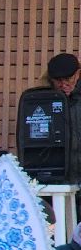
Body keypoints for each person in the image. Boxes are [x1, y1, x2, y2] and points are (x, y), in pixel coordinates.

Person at [44, 52, 81, 183]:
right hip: (58, 179)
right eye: (58, 80)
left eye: (68, 79)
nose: (64, 84)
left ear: (78, 74)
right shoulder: (44, 99)